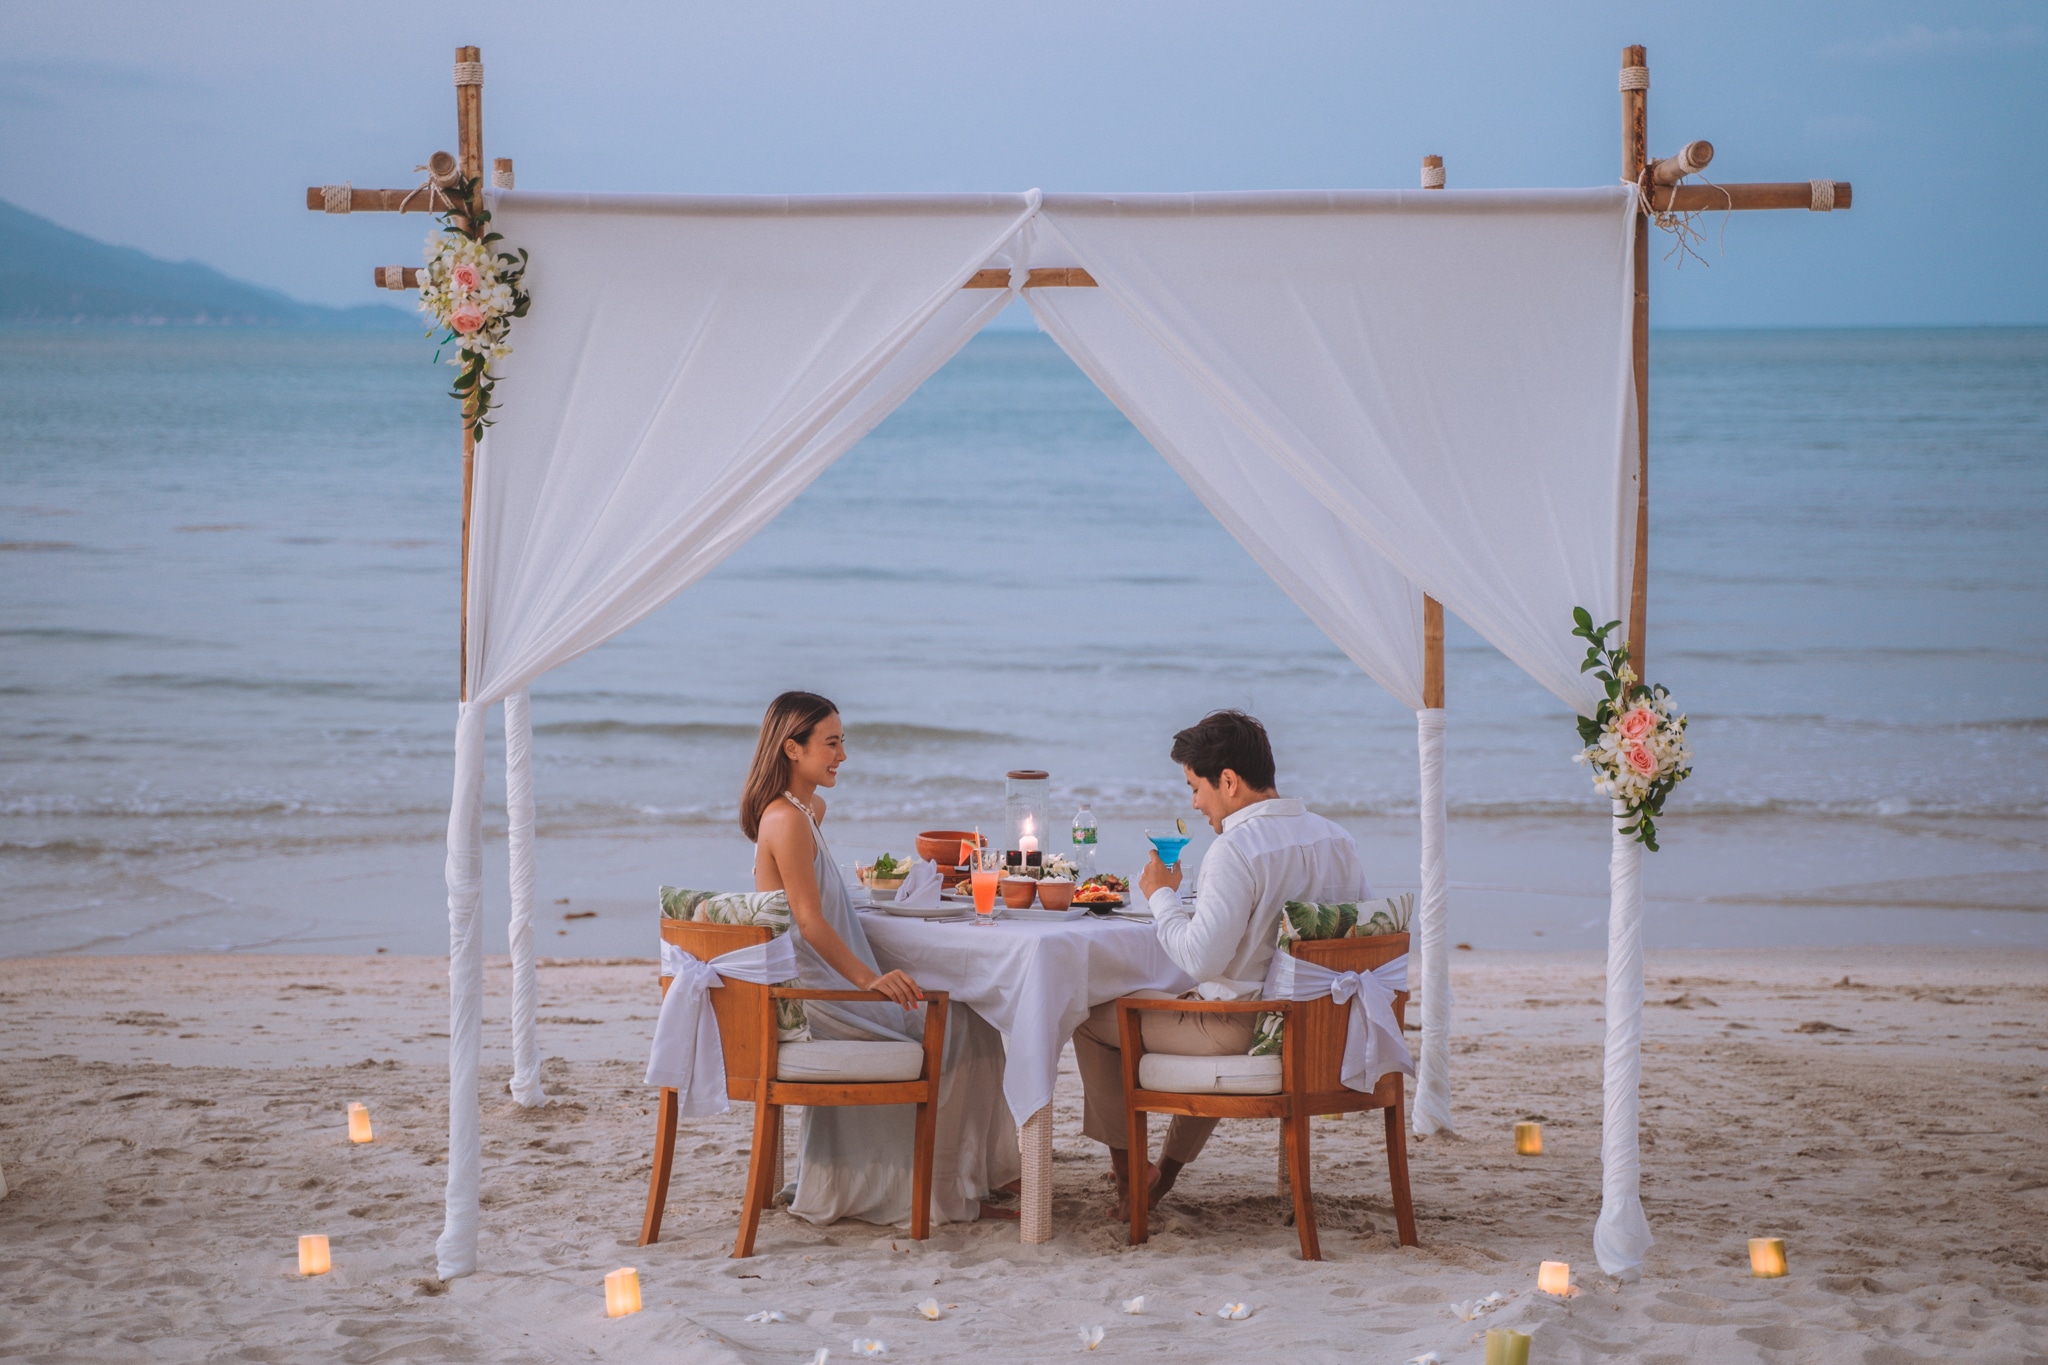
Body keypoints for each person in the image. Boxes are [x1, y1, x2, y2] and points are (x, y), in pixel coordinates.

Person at [1071, 709, 1370, 1217]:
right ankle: (1161, 1171)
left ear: (1228, 781)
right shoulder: (1337, 839)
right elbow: (1355, 938)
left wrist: (1161, 896)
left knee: (1090, 1018)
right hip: (1327, 1027)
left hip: (1245, 1030)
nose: (1193, 803)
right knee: (1209, 1001)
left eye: (1195, 787)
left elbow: (1199, 960)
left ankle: (1133, 1178)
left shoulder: (1236, 849)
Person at [744, 690, 1019, 1226]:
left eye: (842, 741)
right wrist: (871, 979)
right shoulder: (785, 819)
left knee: (974, 1020)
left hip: (826, 977)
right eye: (830, 743)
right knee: (962, 1024)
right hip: (815, 995)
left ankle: (967, 1175)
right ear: (791, 749)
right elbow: (808, 922)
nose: (842, 755)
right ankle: (937, 1190)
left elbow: (822, 903)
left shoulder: (809, 809)